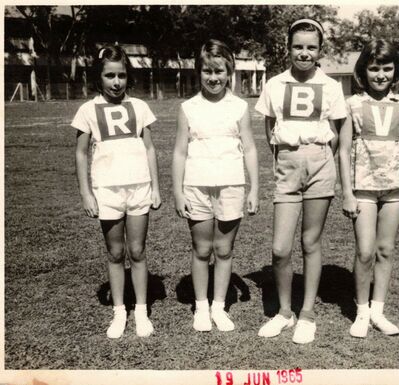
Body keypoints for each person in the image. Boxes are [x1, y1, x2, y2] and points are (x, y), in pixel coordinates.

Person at [255, 18, 347, 344]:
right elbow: (269, 127)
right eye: (298, 46)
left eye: (310, 47)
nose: (304, 53)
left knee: (310, 242)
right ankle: (284, 312)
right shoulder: (275, 84)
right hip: (287, 165)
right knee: (280, 249)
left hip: (320, 163)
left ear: (320, 50)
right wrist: (285, 156)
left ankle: (306, 312)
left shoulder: (332, 87)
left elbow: (338, 132)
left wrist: (319, 158)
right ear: (288, 48)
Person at [72, 44, 161, 339]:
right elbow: (82, 153)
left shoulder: (139, 107)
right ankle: (119, 311)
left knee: (137, 251)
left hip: (138, 188)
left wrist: (156, 188)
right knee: (115, 252)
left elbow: (149, 149)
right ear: (99, 78)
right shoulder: (88, 110)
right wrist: (86, 193)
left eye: (121, 75)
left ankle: (141, 311)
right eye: (110, 75)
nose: (116, 82)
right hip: (107, 191)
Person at [172, 39, 259, 332]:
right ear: (199, 72)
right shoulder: (188, 107)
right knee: (201, 249)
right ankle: (201, 307)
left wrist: (254, 188)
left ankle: (219, 307)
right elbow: (180, 151)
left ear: (229, 72)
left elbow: (249, 148)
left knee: (224, 250)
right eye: (207, 71)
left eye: (219, 71)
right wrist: (177, 191)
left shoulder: (239, 107)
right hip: (196, 186)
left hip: (231, 186)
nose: (213, 77)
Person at [339, 39, 399, 338]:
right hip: (363, 187)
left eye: (387, 68)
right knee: (365, 251)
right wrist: (347, 192)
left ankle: (378, 311)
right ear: (364, 70)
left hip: (394, 189)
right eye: (374, 68)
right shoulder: (352, 104)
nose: (381, 75)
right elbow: (343, 150)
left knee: (386, 250)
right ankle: (361, 312)